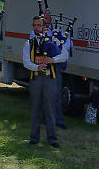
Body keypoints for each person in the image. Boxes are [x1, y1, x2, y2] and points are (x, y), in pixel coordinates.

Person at [26, 12, 70, 148]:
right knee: (35, 109)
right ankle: (34, 137)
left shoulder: (54, 41)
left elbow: (64, 55)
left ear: (45, 26)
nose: (36, 28)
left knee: (50, 108)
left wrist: (52, 59)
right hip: (36, 78)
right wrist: (37, 67)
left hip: (50, 78)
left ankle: (52, 138)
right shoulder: (29, 43)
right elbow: (26, 62)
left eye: (39, 25)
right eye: (34, 25)